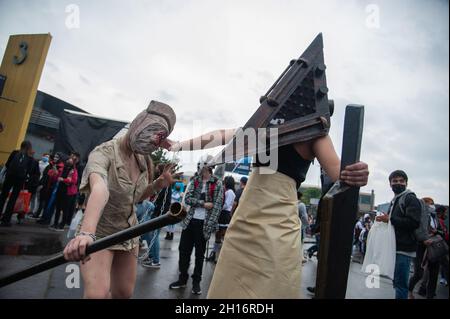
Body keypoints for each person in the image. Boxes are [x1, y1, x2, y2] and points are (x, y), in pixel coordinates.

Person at [170, 127, 369, 298]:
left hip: (277, 223)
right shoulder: (263, 127)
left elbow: (340, 175)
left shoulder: (315, 133)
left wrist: (356, 174)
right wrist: (177, 146)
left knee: (271, 286)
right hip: (247, 221)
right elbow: (219, 136)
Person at [63, 100, 178, 299]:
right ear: (137, 124)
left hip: (128, 233)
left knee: (123, 294)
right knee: (96, 295)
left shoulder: (143, 158)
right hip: (100, 232)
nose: (151, 142)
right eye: (150, 131)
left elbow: (136, 197)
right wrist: (87, 233)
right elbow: (100, 188)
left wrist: (159, 183)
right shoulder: (103, 152)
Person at [169, 155, 224, 295]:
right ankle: (182, 279)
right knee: (183, 251)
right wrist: (203, 204)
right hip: (190, 222)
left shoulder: (217, 183)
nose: (200, 169)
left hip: (203, 225)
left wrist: (209, 227)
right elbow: (187, 198)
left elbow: (216, 207)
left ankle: (196, 283)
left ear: (209, 167)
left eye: (202, 166)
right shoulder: (195, 181)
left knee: (199, 256)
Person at [376, 170, 421, 299]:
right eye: (395, 181)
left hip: (404, 248)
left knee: (401, 284)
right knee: (397, 282)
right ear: (390, 184)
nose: (398, 183)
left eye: (401, 181)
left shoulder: (410, 199)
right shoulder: (395, 200)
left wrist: (389, 219)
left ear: (406, 183)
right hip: (394, 246)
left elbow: (414, 222)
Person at [141, 163, 172, 268]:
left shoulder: (164, 182)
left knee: (154, 236)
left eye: (157, 168)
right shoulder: (162, 180)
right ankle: (151, 256)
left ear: (160, 170)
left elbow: (161, 198)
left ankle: (155, 260)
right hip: (157, 211)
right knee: (149, 234)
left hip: (159, 212)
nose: (155, 169)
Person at [0, 141, 34, 226]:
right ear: (29, 148)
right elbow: (29, 171)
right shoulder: (29, 158)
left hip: (9, 177)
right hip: (19, 180)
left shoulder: (14, 153)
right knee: (13, 199)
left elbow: (7, 165)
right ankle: (6, 219)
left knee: (3, 196)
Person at [206, 175, 235, 263]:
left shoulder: (229, 192)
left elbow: (226, 204)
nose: (223, 182)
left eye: (225, 181)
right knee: (218, 236)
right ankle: (214, 254)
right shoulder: (228, 191)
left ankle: (218, 257)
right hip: (223, 214)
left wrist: (217, 206)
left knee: (221, 236)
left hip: (224, 215)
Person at [50, 156, 79, 231]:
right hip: (60, 190)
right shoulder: (63, 169)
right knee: (58, 208)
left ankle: (62, 225)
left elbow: (74, 181)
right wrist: (55, 172)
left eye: (70, 160)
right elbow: (56, 177)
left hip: (68, 192)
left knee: (65, 209)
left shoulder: (73, 170)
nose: (68, 161)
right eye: (67, 160)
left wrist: (63, 180)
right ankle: (55, 223)